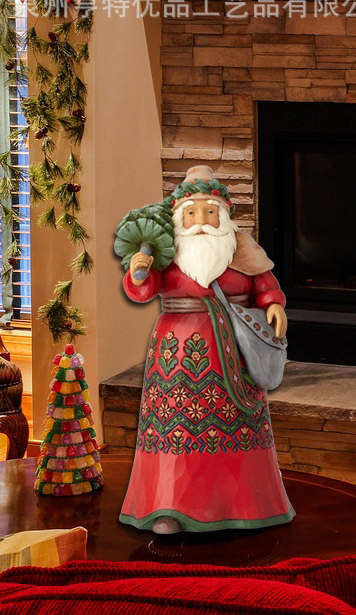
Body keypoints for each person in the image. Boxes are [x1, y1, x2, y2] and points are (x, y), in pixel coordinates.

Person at [119, 166, 295, 534]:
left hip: (235, 348)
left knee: (239, 426)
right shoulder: (166, 251)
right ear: (179, 217)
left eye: (211, 211)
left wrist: (273, 304)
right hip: (176, 354)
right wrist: (138, 273)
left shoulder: (241, 248)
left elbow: (264, 283)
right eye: (192, 212)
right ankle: (169, 506)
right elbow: (145, 289)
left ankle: (247, 504)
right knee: (176, 427)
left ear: (224, 216)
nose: (202, 220)